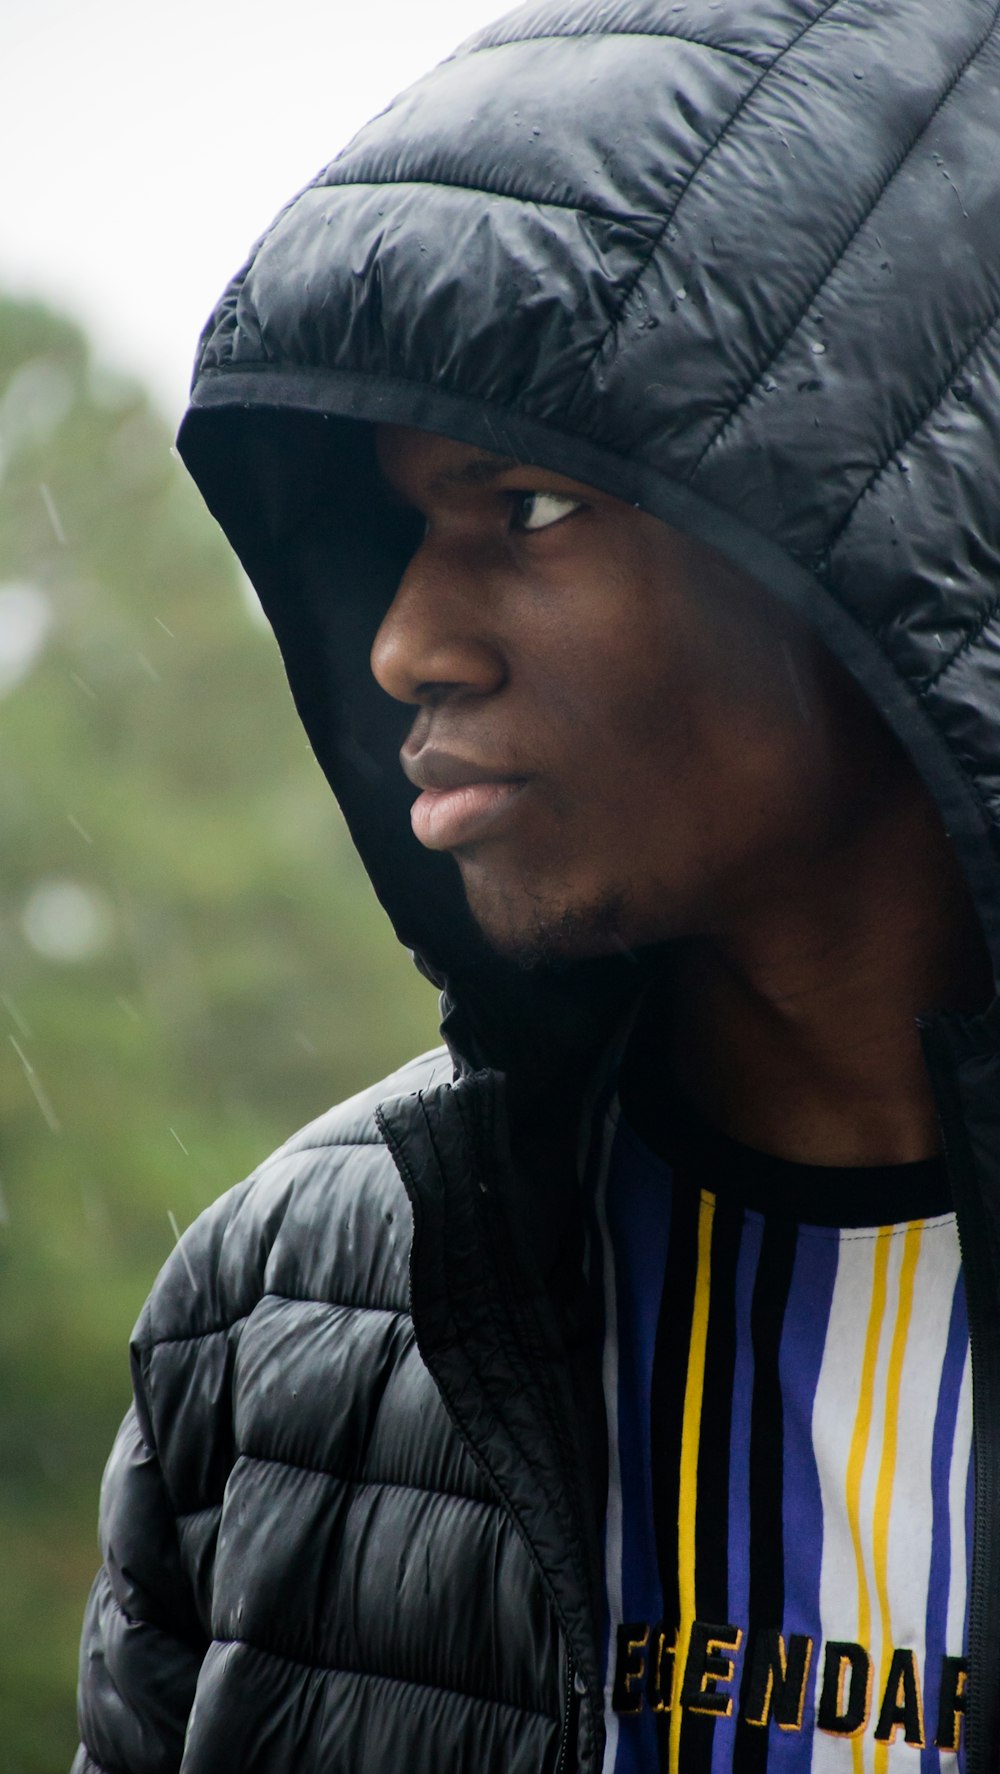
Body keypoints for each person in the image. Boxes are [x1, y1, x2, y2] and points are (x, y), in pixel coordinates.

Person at [72, 1, 1000, 1770]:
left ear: (879, 537)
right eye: (405, 525)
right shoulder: (279, 1308)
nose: (410, 640)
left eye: (532, 509)